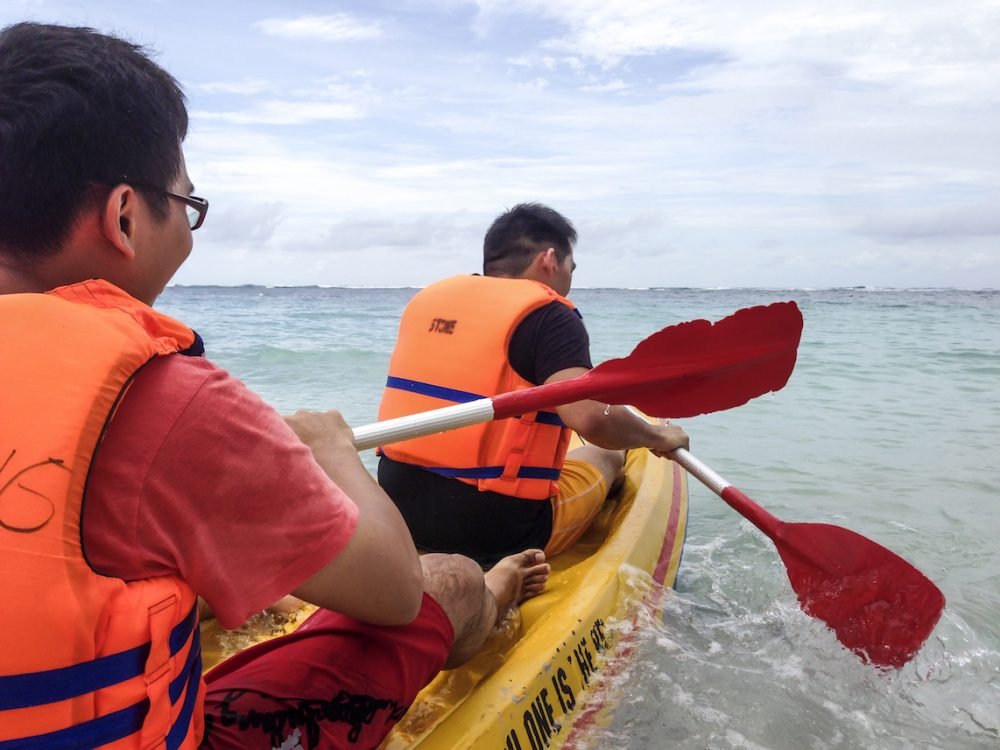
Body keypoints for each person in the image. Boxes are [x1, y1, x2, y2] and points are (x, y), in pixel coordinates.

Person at [0, 22, 549, 750]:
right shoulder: (167, 402)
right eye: (188, 207)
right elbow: (392, 591)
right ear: (125, 217)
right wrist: (335, 455)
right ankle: (494, 591)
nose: (190, 231)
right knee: (443, 580)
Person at [377, 203, 691, 566]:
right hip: (498, 530)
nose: (570, 278)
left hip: (398, 511)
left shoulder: (426, 302)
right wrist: (656, 438)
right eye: (571, 268)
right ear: (550, 259)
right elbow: (591, 419)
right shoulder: (550, 315)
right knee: (609, 453)